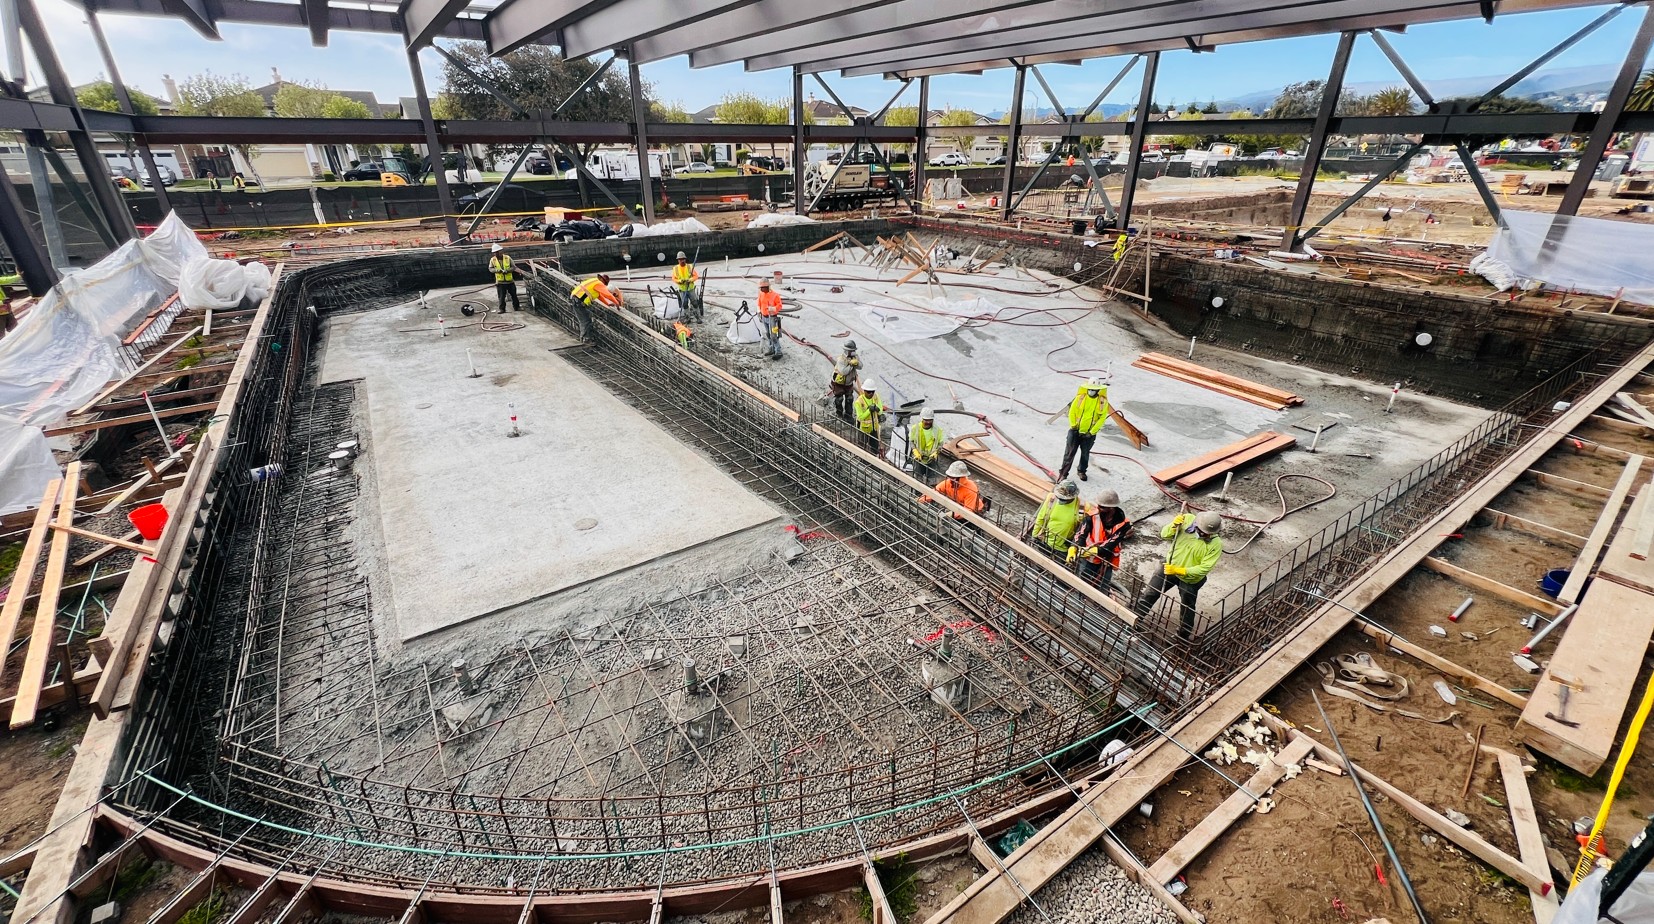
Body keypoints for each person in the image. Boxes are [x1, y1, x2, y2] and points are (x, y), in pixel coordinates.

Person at [1135, 511, 1224, 641]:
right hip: (1169, 565)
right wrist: (1173, 526)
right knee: (1150, 593)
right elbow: (1164, 535)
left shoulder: (1215, 544)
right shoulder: (1186, 520)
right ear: (1197, 524)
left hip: (1190, 579)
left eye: (1208, 534)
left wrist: (1178, 570)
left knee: (1187, 607)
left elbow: (1203, 569)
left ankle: (1183, 635)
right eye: (1203, 531)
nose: (1205, 535)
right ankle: (1136, 617)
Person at [1074, 489, 1134, 590]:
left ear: (1111, 508)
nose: (1098, 508)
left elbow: (1112, 543)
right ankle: (1079, 599)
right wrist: (1075, 547)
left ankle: (1099, 602)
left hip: (1107, 560)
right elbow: (1081, 534)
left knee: (1103, 586)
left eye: (1102, 507)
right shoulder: (1092, 516)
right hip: (1088, 559)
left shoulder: (1123, 524)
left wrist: (1095, 550)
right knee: (1082, 583)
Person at [1059, 377, 1110, 482]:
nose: (1091, 391)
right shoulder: (1080, 398)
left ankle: (1082, 471)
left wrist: (1091, 432)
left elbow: (1102, 418)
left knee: (1085, 453)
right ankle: (1063, 474)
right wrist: (1073, 426)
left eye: (1093, 389)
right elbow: (1072, 412)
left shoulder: (1102, 402)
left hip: (1089, 434)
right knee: (1069, 453)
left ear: (1097, 390)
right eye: (1090, 389)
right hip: (1075, 431)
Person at [1032, 480, 1084, 560]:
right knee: (1042, 562)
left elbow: (1081, 526)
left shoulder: (1079, 504)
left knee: (1059, 566)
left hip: (1064, 545)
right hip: (1046, 540)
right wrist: (1034, 535)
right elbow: (1041, 517)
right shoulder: (1051, 498)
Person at [919, 460, 989, 517]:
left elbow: (967, 512)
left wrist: (951, 515)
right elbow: (934, 492)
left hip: (975, 512)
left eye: (953, 477)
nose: (950, 479)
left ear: (961, 478)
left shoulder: (971, 489)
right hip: (959, 507)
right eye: (949, 476)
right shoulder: (948, 482)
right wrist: (921, 500)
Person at [570, 273, 622, 341]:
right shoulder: (599, 283)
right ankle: (586, 339)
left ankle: (584, 338)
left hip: (575, 299)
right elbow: (608, 295)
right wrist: (617, 303)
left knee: (584, 320)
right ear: (603, 281)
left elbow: (599, 296)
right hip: (578, 301)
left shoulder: (593, 281)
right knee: (586, 321)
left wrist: (607, 304)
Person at [909, 407, 944, 483]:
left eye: (930, 420)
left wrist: (936, 452)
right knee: (918, 480)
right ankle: (918, 493)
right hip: (919, 458)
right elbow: (911, 441)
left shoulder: (937, 430)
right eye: (926, 420)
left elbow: (940, 444)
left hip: (932, 459)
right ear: (922, 419)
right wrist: (915, 451)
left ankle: (930, 493)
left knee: (932, 480)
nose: (928, 422)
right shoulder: (915, 428)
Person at [830, 341, 862, 422]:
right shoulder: (841, 359)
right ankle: (839, 413)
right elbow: (844, 372)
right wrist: (851, 365)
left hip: (849, 383)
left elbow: (861, 366)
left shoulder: (855, 357)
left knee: (849, 399)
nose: (853, 352)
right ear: (847, 351)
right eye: (851, 351)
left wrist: (857, 363)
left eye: (853, 351)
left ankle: (848, 415)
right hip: (839, 383)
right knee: (839, 399)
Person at [854, 379, 885, 454]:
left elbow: (880, 407)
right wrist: (869, 410)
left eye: (873, 391)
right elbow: (860, 417)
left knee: (875, 446)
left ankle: (874, 458)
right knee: (862, 446)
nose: (871, 394)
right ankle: (862, 460)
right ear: (864, 390)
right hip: (863, 428)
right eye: (868, 392)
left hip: (874, 428)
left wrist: (879, 412)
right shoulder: (859, 402)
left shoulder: (876, 396)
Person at [488, 244, 519, 312]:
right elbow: (490, 269)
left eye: (497, 252)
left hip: (510, 281)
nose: (496, 254)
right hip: (500, 282)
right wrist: (497, 271)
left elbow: (513, 267)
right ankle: (502, 309)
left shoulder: (507, 258)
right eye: (495, 252)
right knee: (501, 297)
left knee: (514, 295)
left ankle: (516, 307)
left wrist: (507, 270)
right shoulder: (492, 260)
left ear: (501, 251)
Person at [757, 279, 783, 360]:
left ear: (768, 287)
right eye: (761, 288)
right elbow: (759, 303)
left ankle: (778, 351)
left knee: (774, 335)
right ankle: (772, 348)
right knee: (768, 334)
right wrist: (759, 312)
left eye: (764, 287)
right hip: (764, 317)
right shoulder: (761, 294)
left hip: (772, 318)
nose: (762, 289)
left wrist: (773, 308)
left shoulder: (775, 295)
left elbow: (780, 306)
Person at [672, 251, 700, 319]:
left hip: (690, 289)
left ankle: (697, 317)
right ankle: (687, 317)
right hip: (682, 290)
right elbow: (674, 278)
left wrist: (690, 280)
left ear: (685, 259)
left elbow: (696, 276)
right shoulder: (675, 268)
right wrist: (679, 281)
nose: (682, 261)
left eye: (683, 259)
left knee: (695, 303)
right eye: (680, 259)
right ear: (678, 260)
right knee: (684, 304)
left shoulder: (690, 267)